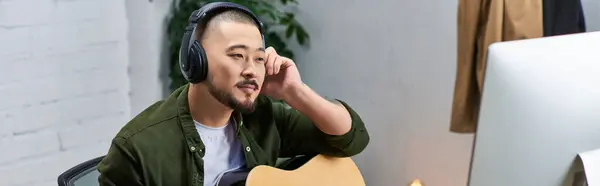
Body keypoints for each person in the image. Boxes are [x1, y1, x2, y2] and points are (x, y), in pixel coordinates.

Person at [97, 2, 369, 186]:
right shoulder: (137, 149)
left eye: (259, 59)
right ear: (196, 61)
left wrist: (295, 92)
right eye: (237, 56)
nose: (251, 70)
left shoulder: (265, 117)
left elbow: (350, 140)